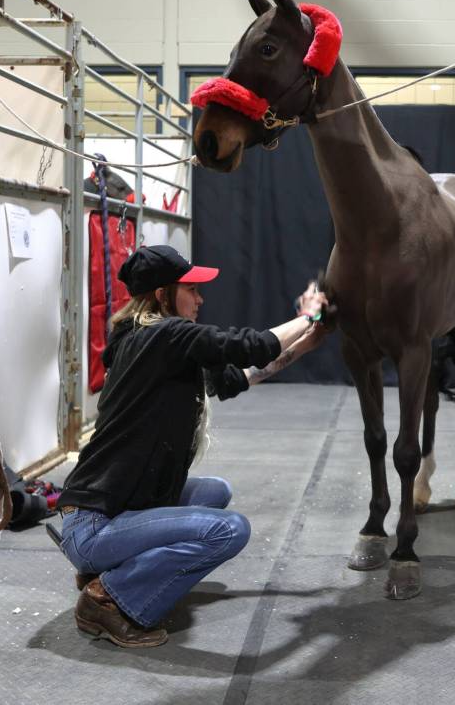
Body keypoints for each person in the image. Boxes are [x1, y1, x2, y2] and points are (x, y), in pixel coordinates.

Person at [56, 244, 331, 648]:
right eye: (191, 289)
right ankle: (108, 600)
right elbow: (251, 345)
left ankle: (111, 568)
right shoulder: (164, 336)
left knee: (214, 491)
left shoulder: (152, 341)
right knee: (229, 530)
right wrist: (307, 316)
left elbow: (241, 375)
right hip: (93, 525)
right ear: (163, 295)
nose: (200, 299)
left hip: (110, 505)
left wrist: (309, 339)